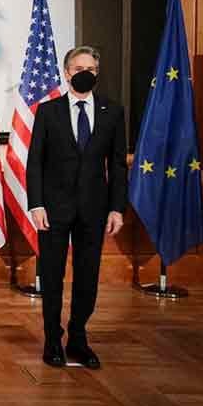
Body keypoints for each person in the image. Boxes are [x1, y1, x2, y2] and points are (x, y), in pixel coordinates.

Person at [27, 46, 127, 369]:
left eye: (92, 68)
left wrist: (117, 208)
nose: (86, 72)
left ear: (97, 74)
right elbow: (35, 163)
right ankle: (52, 339)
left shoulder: (113, 111)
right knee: (53, 275)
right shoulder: (48, 112)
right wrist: (36, 203)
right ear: (67, 73)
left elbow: (117, 165)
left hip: (94, 210)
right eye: (79, 67)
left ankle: (78, 337)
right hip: (53, 210)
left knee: (88, 276)